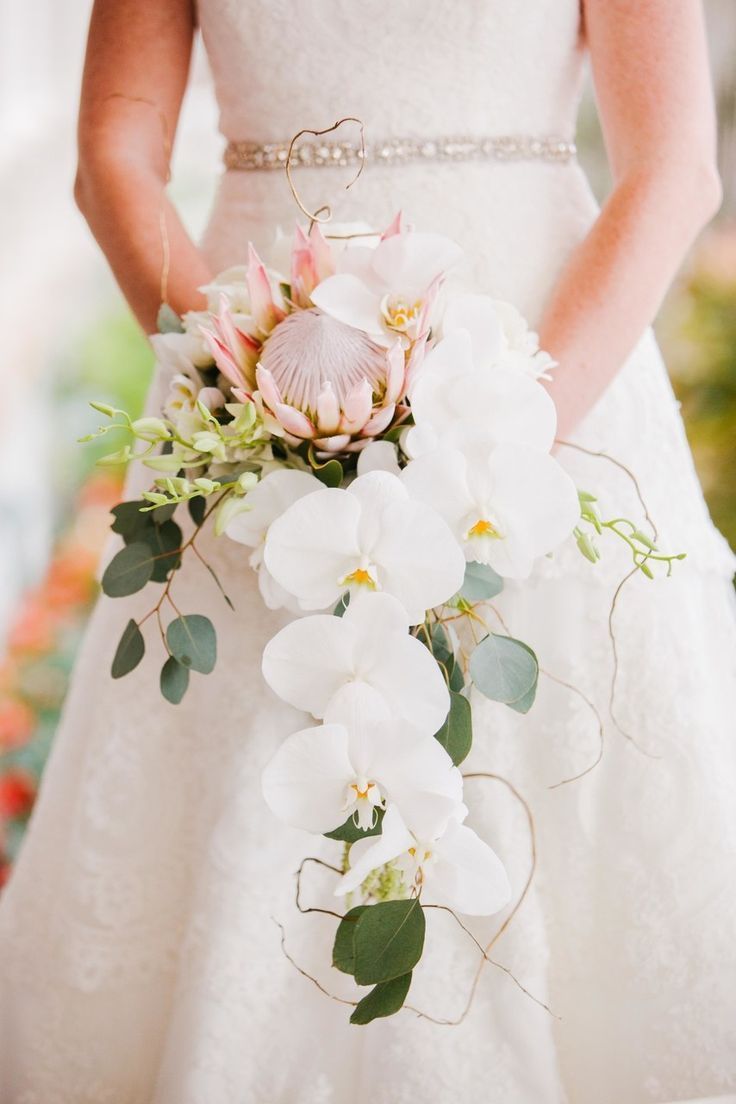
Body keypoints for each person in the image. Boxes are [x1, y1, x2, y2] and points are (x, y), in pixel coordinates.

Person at [2, 1, 735, 1101]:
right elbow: (114, 147)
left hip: (542, 367)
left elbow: (673, 167)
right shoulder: (242, 380)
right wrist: (242, 387)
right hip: (254, 362)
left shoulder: (526, 417)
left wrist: (507, 442)